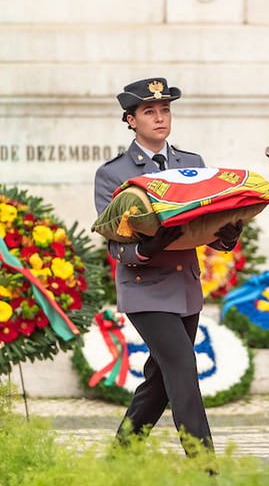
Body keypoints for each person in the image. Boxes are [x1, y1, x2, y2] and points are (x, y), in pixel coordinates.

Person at [94, 77, 241, 455]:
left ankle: (118, 460)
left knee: (159, 381)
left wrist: (226, 235)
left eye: (165, 110)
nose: (159, 118)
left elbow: (204, 228)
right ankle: (205, 469)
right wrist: (147, 246)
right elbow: (115, 243)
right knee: (182, 372)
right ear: (130, 120)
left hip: (185, 288)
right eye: (149, 112)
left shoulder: (193, 165)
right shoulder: (113, 174)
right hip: (145, 286)